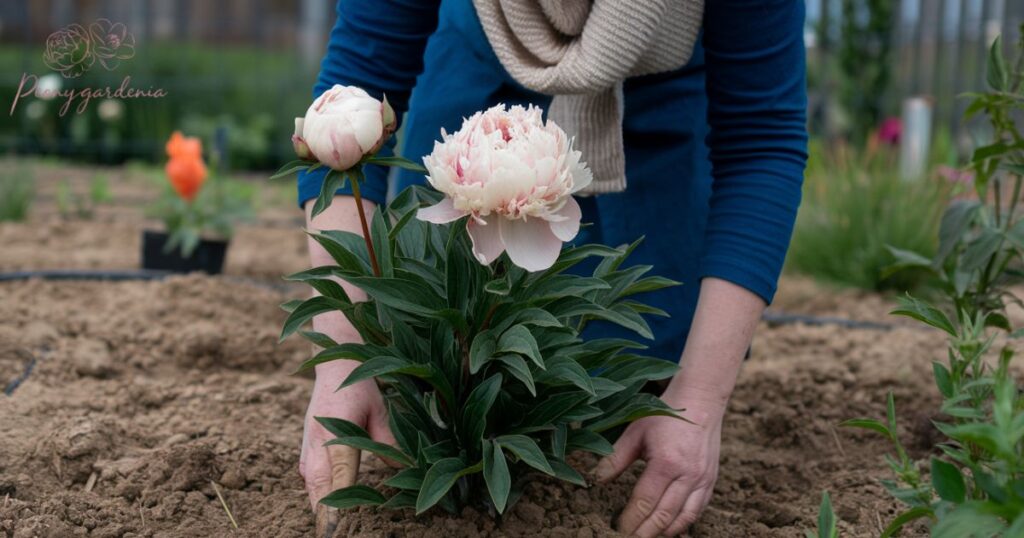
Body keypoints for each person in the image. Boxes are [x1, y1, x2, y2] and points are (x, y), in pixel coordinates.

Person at [297, 1, 807, 536]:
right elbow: (357, 84)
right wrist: (340, 363)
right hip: (470, 142)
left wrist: (701, 398)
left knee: (629, 388)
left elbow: (762, 137)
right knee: (445, 382)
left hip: (655, 173)